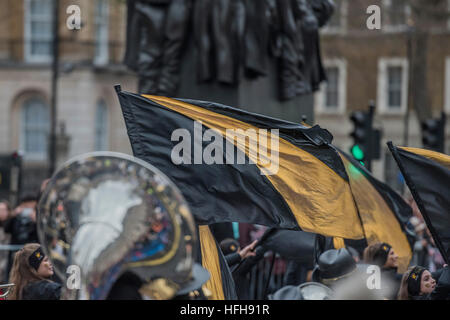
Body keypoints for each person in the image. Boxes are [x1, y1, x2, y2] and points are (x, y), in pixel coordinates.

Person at [3, 194, 39, 280]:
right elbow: (6, 229)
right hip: (16, 252)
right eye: (25, 206)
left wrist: (36, 221)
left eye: (30, 206)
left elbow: (41, 235)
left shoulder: (38, 217)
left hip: (32, 252)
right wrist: (13, 215)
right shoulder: (16, 218)